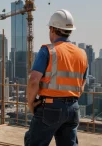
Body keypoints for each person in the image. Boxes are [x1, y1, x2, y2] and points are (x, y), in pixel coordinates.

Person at [24, 9, 88, 146]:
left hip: (50, 107)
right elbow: (82, 84)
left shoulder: (48, 50)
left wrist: (30, 103)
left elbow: (34, 80)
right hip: (73, 108)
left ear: (52, 29)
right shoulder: (82, 54)